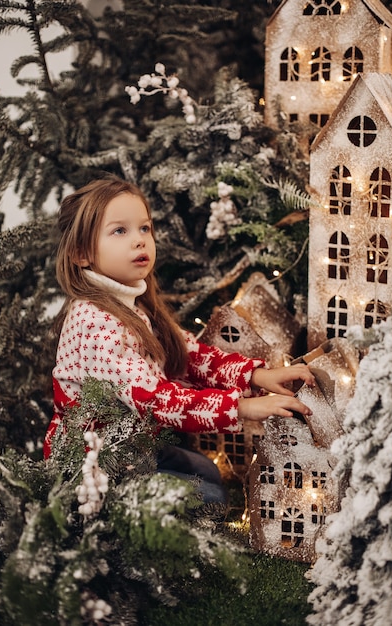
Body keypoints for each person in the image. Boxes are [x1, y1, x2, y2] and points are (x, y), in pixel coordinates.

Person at [44, 175, 315, 504]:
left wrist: (256, 375)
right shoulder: (94, 324)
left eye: (145, 228)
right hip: (93, 468)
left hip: (132, 449)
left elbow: (190, 355)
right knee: (211, 496)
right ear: (81, 253)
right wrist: (242, 407)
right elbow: (157, 401)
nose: (140, 240)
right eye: (120, 230)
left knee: (207, 473)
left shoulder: (134, 304)